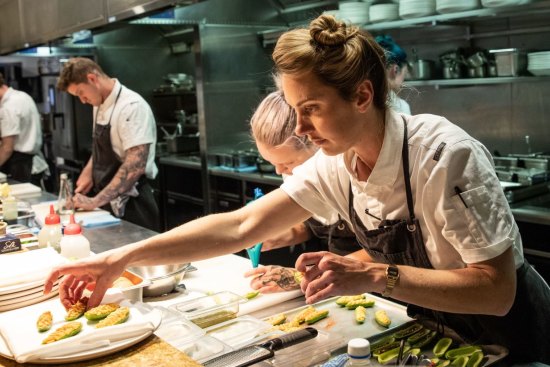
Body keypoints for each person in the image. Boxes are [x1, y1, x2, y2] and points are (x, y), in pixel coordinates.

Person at [45, 15, 550, 364]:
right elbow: (242, 225)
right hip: (431, 332)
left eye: (310, 108)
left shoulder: (443, 155)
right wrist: (118, 261)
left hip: (509, 339)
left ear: (362, 95)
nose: (301, 128)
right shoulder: (341, 162)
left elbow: (496, 291)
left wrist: (373, 273)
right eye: (294, 110)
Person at [244, 90, 362, 293]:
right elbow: (317, 219)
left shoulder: (354, 173)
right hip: (338, 287)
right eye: (272, 163)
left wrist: (304, 275)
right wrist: (282, 235)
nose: (279, 171)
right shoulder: (295, 170)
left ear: (317, 142)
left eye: (287, 162)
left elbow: (384, 253)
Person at [56, 58, 159, 231]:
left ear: (92, 78)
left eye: (81, 92)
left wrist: (95, 201)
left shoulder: (131, 106)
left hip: (134, 205)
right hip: (107, 200)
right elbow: (102, 145)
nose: (82, 100)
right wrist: (88, 173)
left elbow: (135, 166)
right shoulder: (99, 103)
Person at [0, 72, 46, 182]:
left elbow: (7, 148)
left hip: (21, 167)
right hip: (32, 163)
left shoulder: (8, 107)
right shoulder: (22, 96)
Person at [375, 34, 411, 114]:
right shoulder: (401, 106)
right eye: (403, 75)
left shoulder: (363, 98)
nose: (402, 82)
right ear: (395, 70)